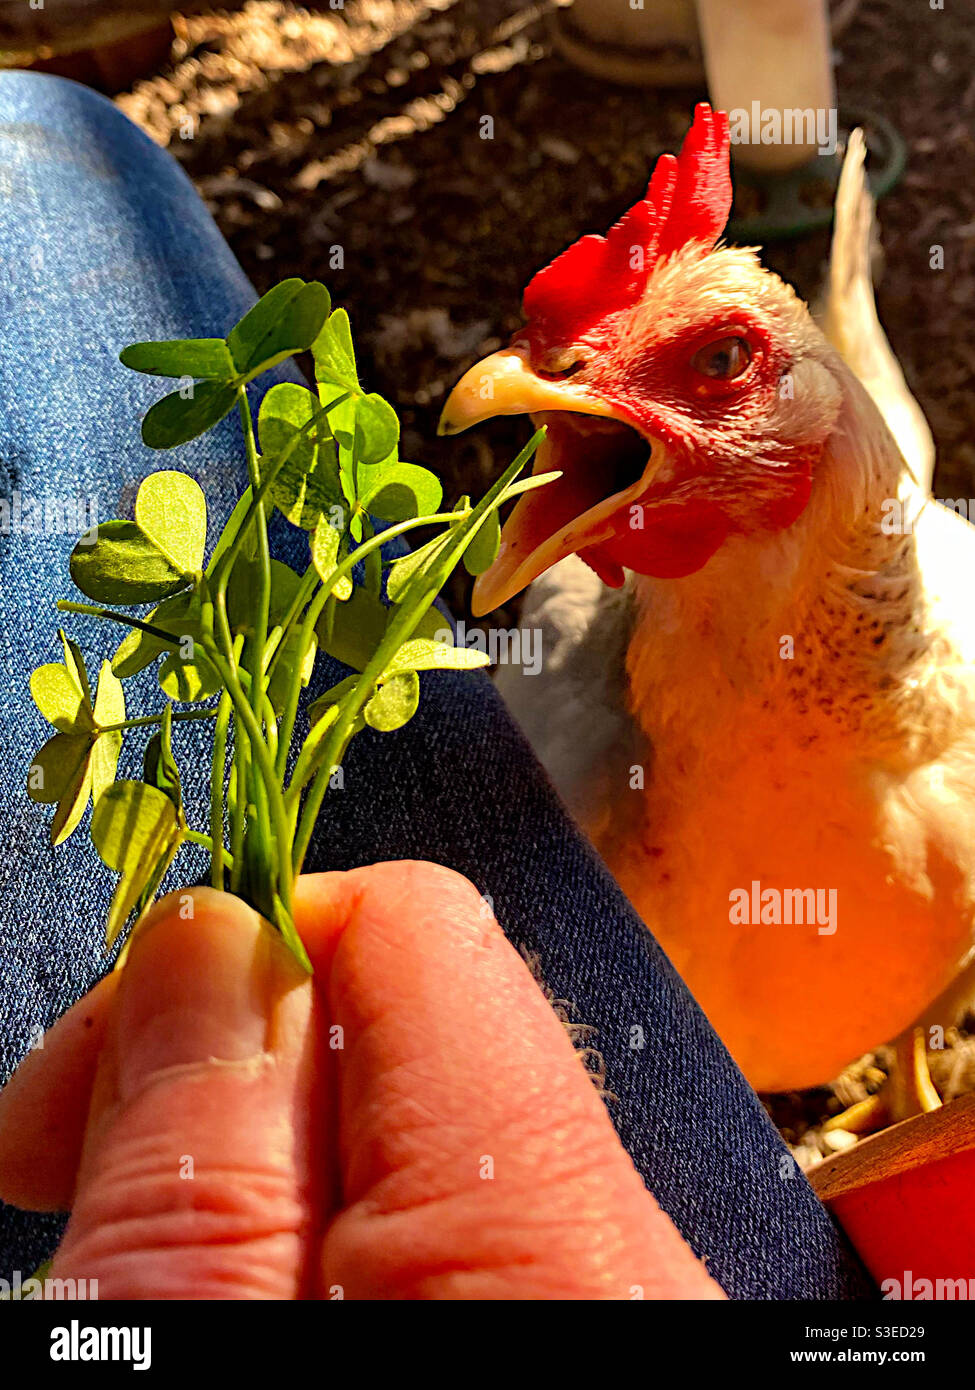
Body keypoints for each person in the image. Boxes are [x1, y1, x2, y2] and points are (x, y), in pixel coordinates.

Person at [0, 69, 873, 1300]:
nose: (506, 388)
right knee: (44, 125)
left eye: (720, 361)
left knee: (36, 129)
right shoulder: (566, 759)